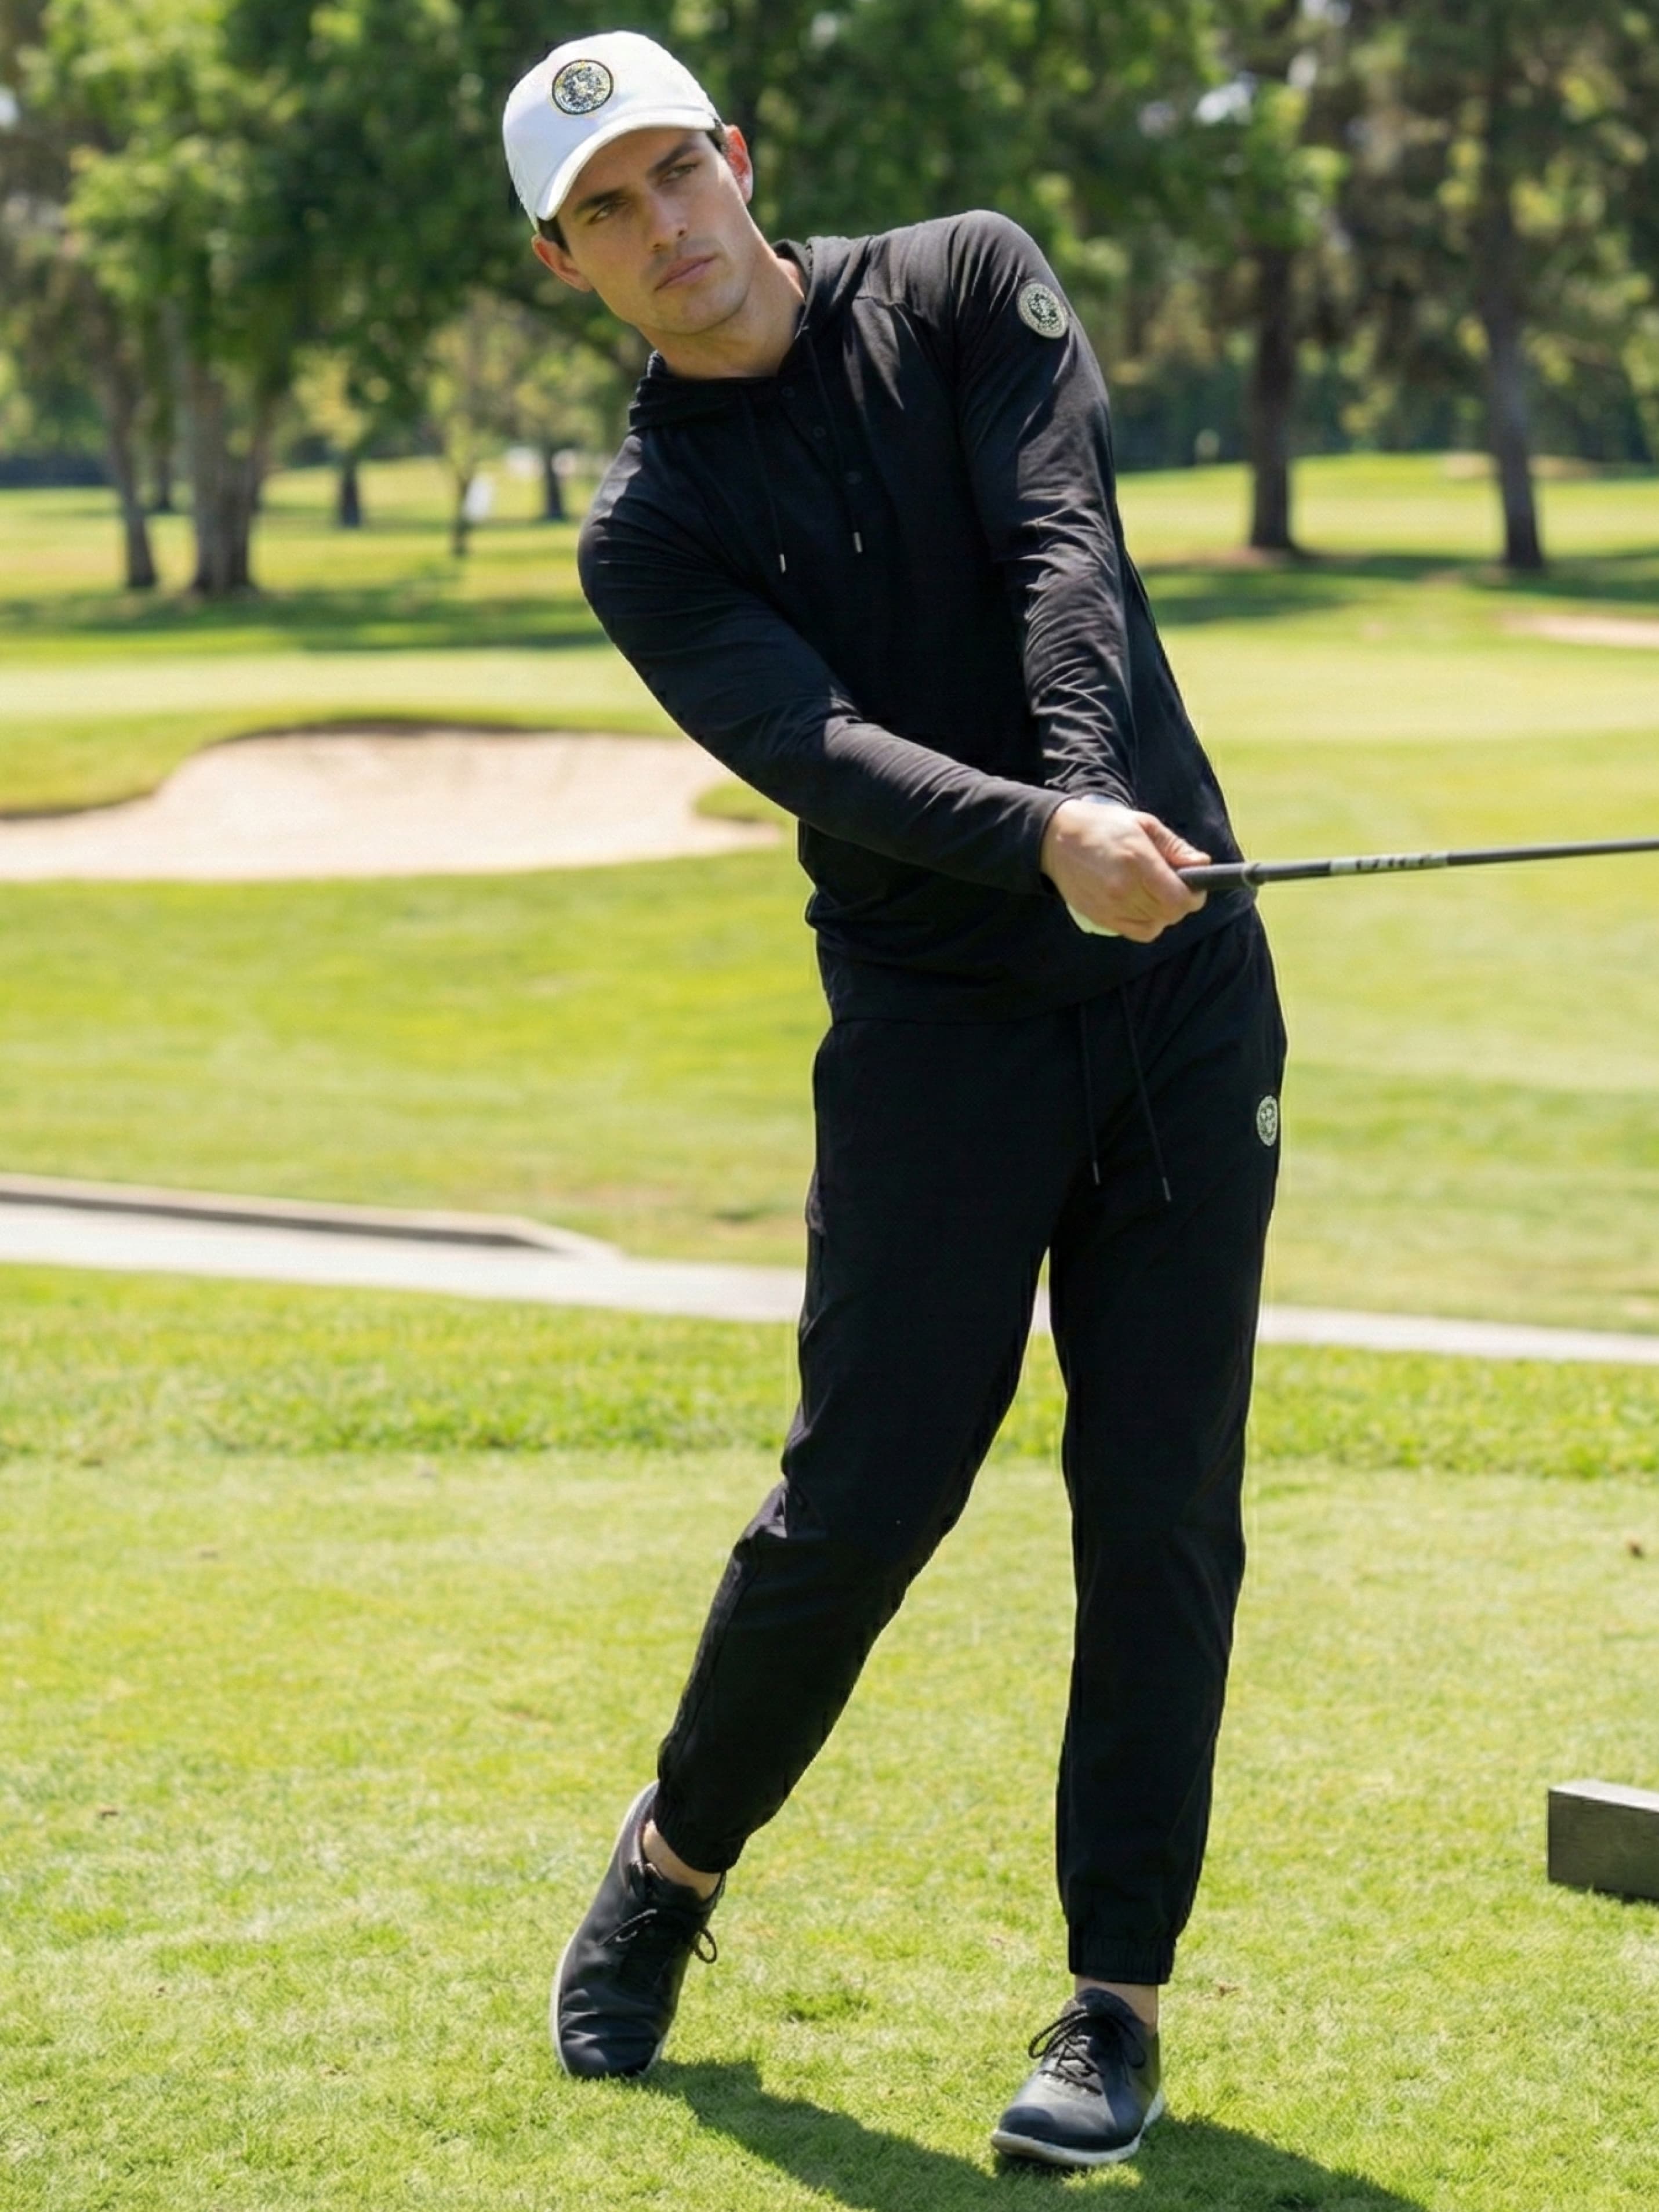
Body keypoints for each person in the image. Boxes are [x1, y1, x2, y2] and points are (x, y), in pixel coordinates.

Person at [502, 30, 1286, 2171]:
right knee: (866, 1502)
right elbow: (818, 745)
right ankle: (675, 1863)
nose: (665, 229)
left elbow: (1064, 549)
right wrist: (1044, 844)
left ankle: (1110, 2006)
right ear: (566, 266)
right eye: (607, 213)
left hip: (1181, 1000)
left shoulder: (961, 279)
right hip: (940, 1038)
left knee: (1159, 1508)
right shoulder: (647, 532)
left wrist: (1096, 798)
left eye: (679, 174)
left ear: (741, 161)